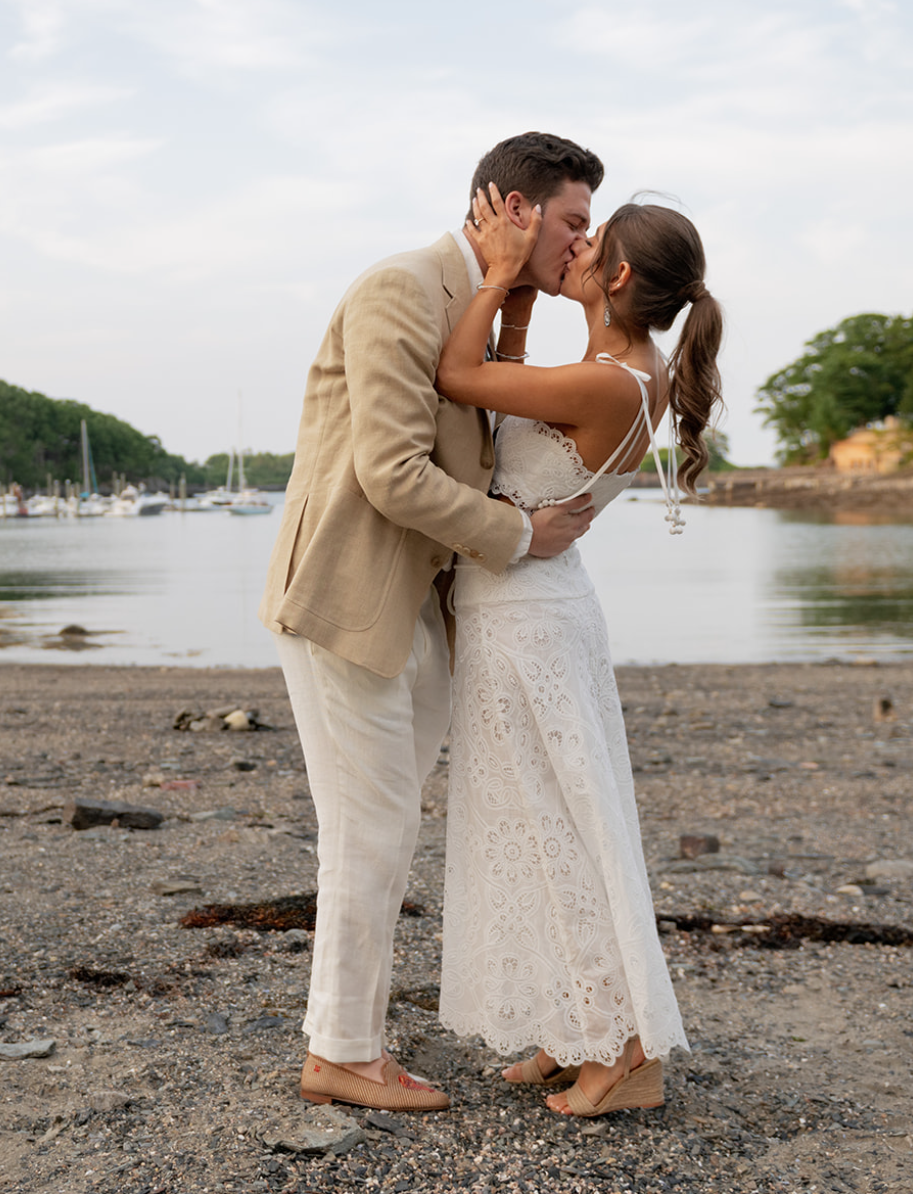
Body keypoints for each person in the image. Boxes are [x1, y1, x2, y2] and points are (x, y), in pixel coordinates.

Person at [258, 134, 605, 1112]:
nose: (584, 242)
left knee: (385, 822)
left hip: (421, 603)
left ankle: (348, 1036)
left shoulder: (484, 306)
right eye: (572, 220)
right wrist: (521, 535)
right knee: (368, 824)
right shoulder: (401, 289)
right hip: (347, 596)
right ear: (514, 207)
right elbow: (391, 471)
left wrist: (518, 299)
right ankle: (340, 1049)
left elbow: (480, 427)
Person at [434, 184, 724, 1117]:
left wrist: (502, 274)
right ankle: (574, 1025)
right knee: (530, 826)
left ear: (621, 273)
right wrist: (517, 300)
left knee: (562, 831)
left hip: (531, 622)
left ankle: (627, 1048)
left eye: (589, 240)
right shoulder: (608, 363)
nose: (575, 248)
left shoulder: (609, 378)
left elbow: (456, 377)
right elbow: (500, 396)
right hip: (524, 610)